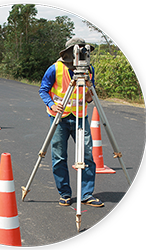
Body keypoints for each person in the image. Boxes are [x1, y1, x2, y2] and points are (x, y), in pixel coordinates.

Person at [39, 37, 104, 207]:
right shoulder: (55, 69)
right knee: (59, 157)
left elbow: (89, 99)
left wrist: (90, 86)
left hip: (80, 117)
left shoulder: (89, 70)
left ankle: (86, 194)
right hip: (59, 118)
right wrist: (52, 104)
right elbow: (43, 90)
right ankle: (65, 193)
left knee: (87, 156)